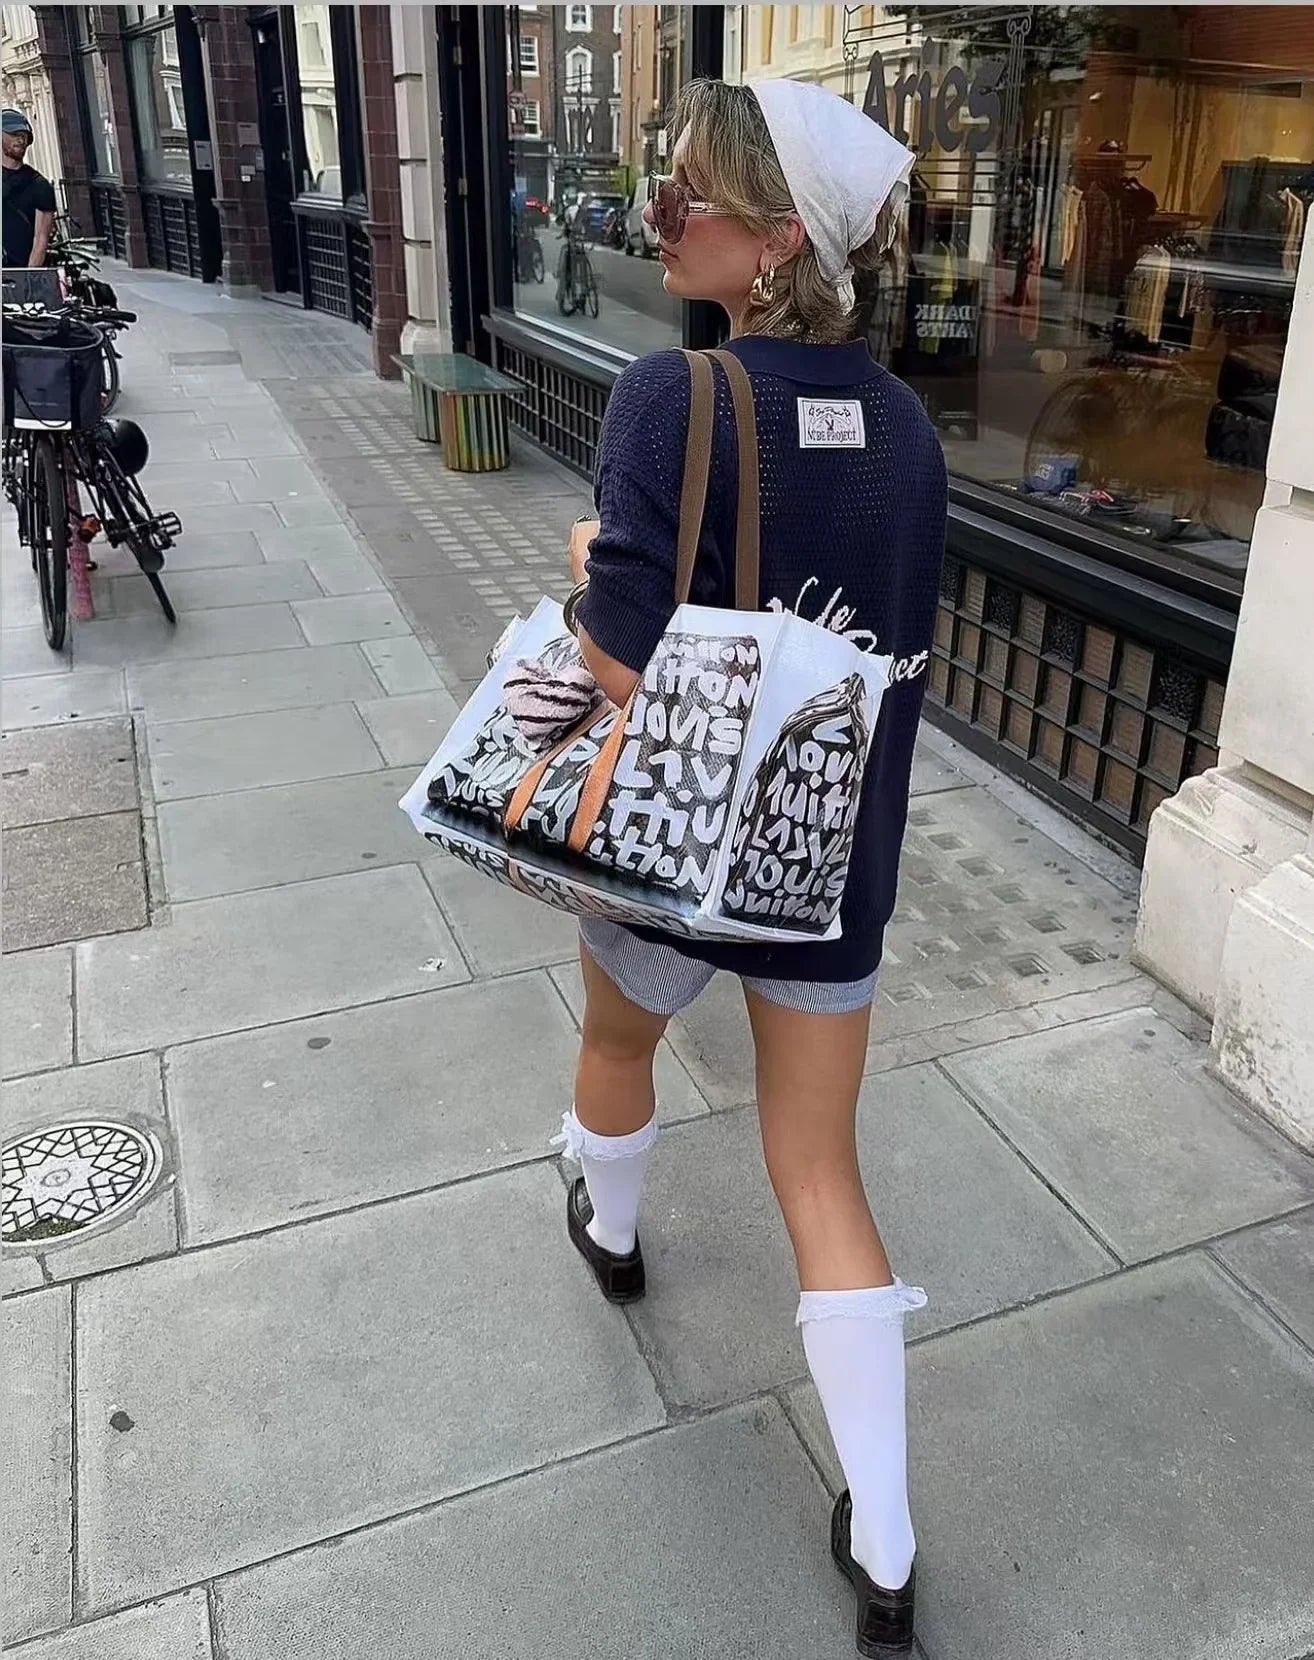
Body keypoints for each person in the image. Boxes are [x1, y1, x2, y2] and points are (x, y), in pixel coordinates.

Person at [558, 78, 947, 1657]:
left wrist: (586, 570)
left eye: (682, 199)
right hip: (830, 855)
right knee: (819, 1168)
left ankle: (610, 1234)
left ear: (776, 240)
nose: (655, 220)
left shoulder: (671, 397)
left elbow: (619, 654)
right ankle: (887, 1538)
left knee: (613, 1043)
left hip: (677, 840)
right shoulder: (907, 427)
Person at [2, 108, 56, 270]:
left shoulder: (39, 185)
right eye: (14, 134)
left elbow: (40, 240)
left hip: (19, 273)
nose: (21, 140)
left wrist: (28, 278)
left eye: (25, 136)